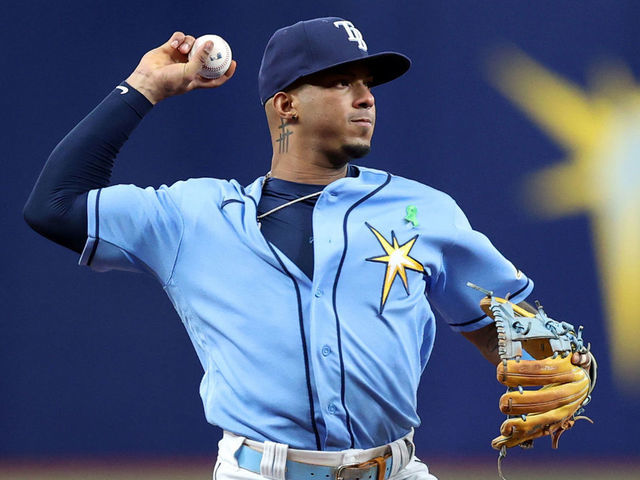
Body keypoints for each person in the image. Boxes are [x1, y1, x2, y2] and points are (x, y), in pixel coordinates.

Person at [24, 17, 590, 480]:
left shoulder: (425, 210)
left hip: (395, 469)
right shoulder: (192, 217)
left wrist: (569, 362)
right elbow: (53, 204)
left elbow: (517, 329)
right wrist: (145, 86)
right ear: (286, 105)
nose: (366, 97)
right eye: (341, 82)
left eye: (369, 84)